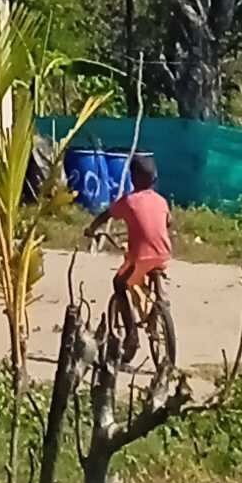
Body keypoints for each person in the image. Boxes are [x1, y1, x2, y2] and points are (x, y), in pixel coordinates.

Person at [88, 149, 172, 356]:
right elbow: (168, 222)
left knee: (119, 283)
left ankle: (131, 335)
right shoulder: (161, 201)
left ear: (132, 178)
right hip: (163, 254)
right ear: (154, 179)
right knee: (151, 269)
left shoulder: (129, 201)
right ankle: (160, 305)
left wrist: (91, 229)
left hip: (141, 257)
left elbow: (106, 215)